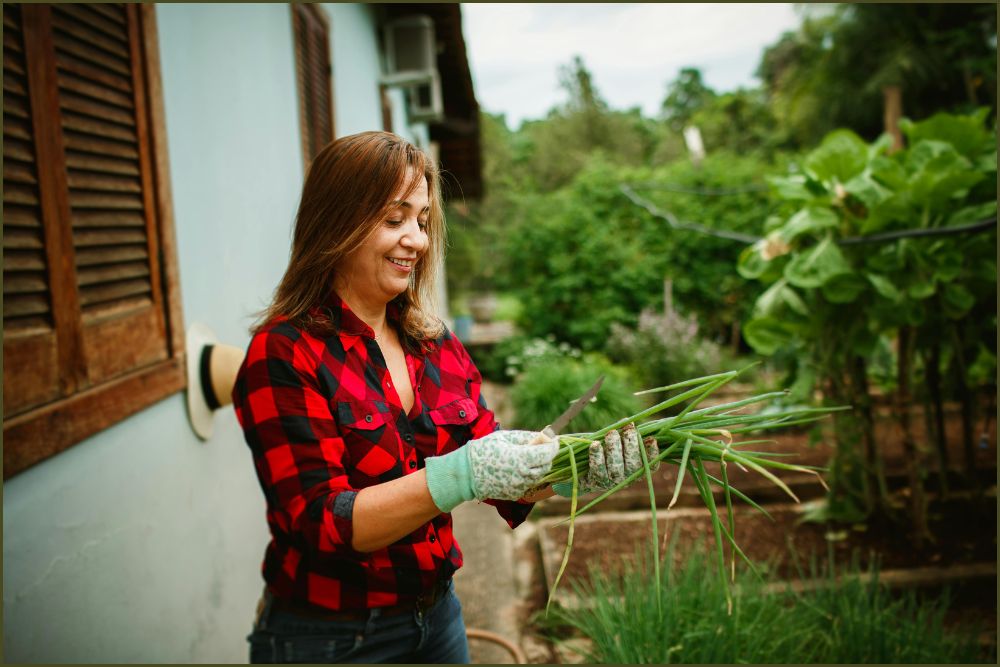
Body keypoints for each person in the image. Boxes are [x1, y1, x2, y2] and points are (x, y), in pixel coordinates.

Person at [231, 131, 649, 664]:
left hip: (438, 618)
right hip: (330, 638)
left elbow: (499, 476)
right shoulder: (285, 353)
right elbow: (321, 523)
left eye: (422, 221)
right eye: (393, 219)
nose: (418, 240)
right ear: (335, 224)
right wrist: (459, 474)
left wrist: (575, 472)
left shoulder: (433, 343)